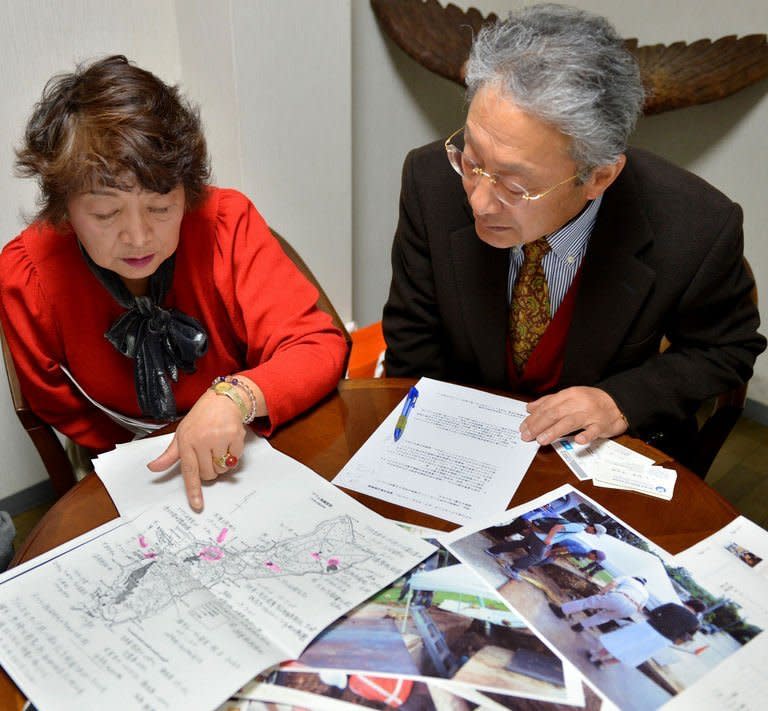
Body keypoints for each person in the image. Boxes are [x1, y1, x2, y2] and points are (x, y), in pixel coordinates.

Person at [382, 3, 765, 462]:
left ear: (598, 178)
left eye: (516, 186)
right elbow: (412, 342)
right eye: (471, 160)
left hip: (602, 456)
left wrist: (620, 400)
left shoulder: (695, 225)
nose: (479, 202)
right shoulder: (430, 182)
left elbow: (728, 348)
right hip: (466, 446)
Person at [0, 55, 348, 511]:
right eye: (106, 214)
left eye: (162, 207)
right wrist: (157, 449)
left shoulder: (226, 224)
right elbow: (58, 405)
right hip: (125, 465)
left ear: (187, 186)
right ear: (64, 207)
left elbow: (317, 346)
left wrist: (234, 398)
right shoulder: (29, 275)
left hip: (248, 438)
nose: (140, 237)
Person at [587, 599, 705, 668]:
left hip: (649, 628)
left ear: (689, 603)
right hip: (664, 640)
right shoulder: (696, 623)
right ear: (697, 611)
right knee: (636, 652)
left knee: (622, 641)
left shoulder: (673, 606)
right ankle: (604, 664)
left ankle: (596, 655)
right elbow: (686, 637)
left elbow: (653, 612)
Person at [486, 516, 606, 577]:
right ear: (593, 527)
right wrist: (549, 540)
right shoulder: (579, 528)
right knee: (537, 557)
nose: (592, 534)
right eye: (594, 532)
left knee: (521, 543)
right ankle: (513, 569)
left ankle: (492, 551)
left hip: (538, 534)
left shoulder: (579, 525)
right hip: (543, 538)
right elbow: (557, 528)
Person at [549, 575, 649, 631]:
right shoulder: (646, 594)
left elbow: (613, 583)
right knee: (604, 617)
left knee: (588, 603)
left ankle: (561, 611)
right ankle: (580, 627)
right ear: (643, 584)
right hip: (631, 609)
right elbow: (640, 609)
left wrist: (602, 593)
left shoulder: (629, 578)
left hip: (621, 597)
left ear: (636, 578)